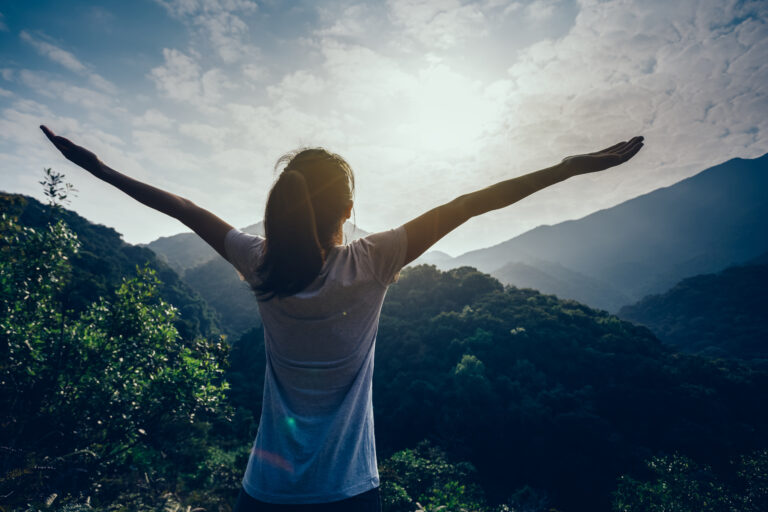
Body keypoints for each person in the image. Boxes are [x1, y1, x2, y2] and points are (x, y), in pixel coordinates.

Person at [40, 125, 644, 510]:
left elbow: (180, 207)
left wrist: (93, 165)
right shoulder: (374, 261)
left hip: (265, 493)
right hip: (350, 493)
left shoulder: (260, 263)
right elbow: (471, 203)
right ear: (348, 209)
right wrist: (568, 166)